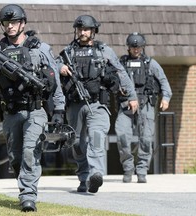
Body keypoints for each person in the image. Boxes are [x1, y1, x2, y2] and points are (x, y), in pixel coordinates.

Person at [0, 4, 65, 212]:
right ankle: (24, 185)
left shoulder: (40, 49)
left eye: (14, 22)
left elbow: (55, 82)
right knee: (15, 156)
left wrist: (59, 110)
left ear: (23, 23)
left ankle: (28, 196)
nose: (10, 26)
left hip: (36, 110)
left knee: (31, 151)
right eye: (6, 22)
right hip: (11, 112)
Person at [56, 15, 138, 193]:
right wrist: (59, 68)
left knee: (96, 137)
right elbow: (50, 68)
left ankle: (96, 174)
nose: (82, 32)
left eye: (86, 29)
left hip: (97, 105)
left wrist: (132, 96)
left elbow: (121, 73)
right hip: (75, 105)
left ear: (93, 31)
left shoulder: (104, 50)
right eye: (80, 29)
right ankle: (84, 176)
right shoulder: (68, 52)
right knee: (76, 142)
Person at [115, 32, 172, 183]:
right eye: (133, 47)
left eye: (138, 47)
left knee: (146, 138)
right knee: (122, 136)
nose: (136, 50)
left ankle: (141, 169)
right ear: (128, 47)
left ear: (143, 47)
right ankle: (128, 167)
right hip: (126, 104)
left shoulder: (150, 63)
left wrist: (166, 98)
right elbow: (111, 80)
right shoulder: (120, 63)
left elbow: (164, 81)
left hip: (146, 104)